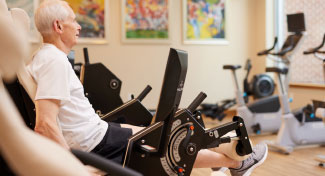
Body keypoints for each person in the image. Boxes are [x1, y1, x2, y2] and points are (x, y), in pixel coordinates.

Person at [29, 0, 268, 175]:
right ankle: (237, 164)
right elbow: (45, 124)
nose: (78, 26)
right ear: (59, 26)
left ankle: (221, 160)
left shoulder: (46, 57)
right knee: (165, 145)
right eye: (73, 20)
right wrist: (70, 167)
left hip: (97, 132)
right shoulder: (54, 62)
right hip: (94, 143)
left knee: (156, 131)